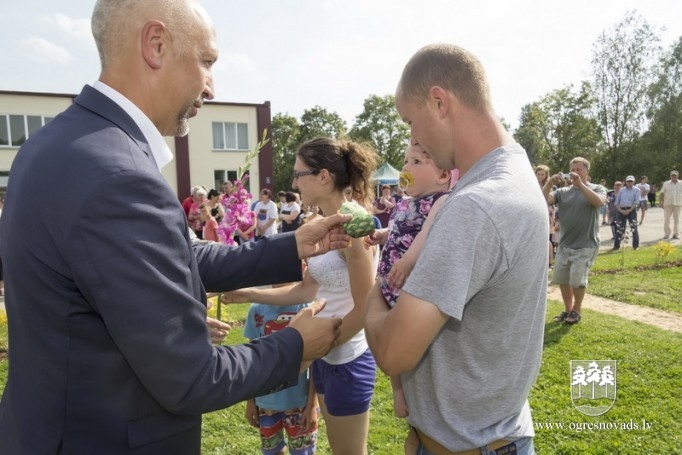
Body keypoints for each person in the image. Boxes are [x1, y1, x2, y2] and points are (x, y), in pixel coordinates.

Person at [0, 1, 350, 453]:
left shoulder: (57, 145)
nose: (211, 86)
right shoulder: (118, 174)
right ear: (156, 44)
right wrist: (294, 345)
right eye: (206, 61)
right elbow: (190, 377)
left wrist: (291, 246)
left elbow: (175, 256)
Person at [365, 44, 547, 455]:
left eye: (411, 121)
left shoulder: (475, 204)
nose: (414, 139)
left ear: (439, 101)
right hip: (489, 436)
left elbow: (394, 352)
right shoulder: (514, 171)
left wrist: (373, 288)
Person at [223, 137, 380, 455]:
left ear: (324, 177)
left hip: (347, 359)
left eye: (299, 174)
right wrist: (247, 295)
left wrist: (317, 345)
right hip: (324, 354)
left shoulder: (354, 224)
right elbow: (308, 289)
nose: (294, 182)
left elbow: (366, 308)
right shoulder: (318, 224)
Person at [363, 143, 452, 435]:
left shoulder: (441, 201)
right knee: (388, 335)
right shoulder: (404, 201)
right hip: (391, 276)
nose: (405, 168)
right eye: (405, 161)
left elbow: (425, 236)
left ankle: (411, 385)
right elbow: (399, 227)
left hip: (409, 278)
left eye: (415, 161)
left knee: (403, 336)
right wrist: (381, 235)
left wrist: (408, 260)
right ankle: (398, 389)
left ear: (442, 175)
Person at [243, 293, 319, 455]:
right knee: (272, 451)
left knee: (303, 451)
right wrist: (251, 401)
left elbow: (315, 362)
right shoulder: (256, 310)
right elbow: (252, 360)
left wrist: (312, 404)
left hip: (299, 403)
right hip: (265, 404)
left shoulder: (306, 308)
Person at [542, 157, 606, 325]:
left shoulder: (596, 188)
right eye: (573, 170)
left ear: (587, 171)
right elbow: (543, 200)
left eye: (579, 170)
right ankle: (568, 309)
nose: (576, 173)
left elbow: (598, 202)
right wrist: (549, 183)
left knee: (577, 281)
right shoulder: (563, 192)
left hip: (586, 244)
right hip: (565, 244)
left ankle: (577, 310)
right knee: (563, 279)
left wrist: (581, 185)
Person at [535, 164, 556, 266]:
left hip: (547, 211)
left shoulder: (548, 186)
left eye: (542, 174)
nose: (539, 176)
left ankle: (549, 261)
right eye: (538, 174)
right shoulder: (533, 184)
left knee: (547, 238)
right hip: (536, 211)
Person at [613, 175, 640, 250]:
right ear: (626, 182)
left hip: (631, 210)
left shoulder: (637, 190)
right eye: (628, 181)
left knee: (634, 228)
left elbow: (636, 202)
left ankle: (635, 246)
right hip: (621, 210)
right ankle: (616, 246)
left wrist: (629, 210)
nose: (629, 182)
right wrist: (621, 210)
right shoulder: (622, 190)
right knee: (620, 228)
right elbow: (617, 201)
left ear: (634, 182)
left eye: (631, 181)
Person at [660, 170, 682, 239]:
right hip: (667, 204)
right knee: (667, 219)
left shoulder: (681, 183)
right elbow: (662, 193)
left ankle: (676, 234)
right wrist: (661, 202)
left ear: (677, 176)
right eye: (672, 175)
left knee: (677, 220)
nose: (674, 176)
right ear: (670, 176)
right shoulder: (666, 183)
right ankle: (667, 234)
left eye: (675, 175)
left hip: (678, 204)